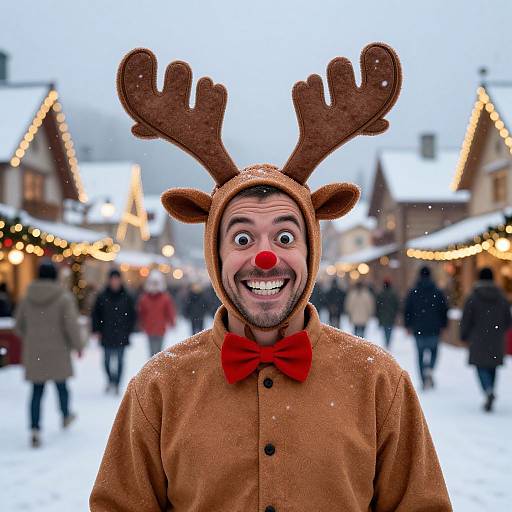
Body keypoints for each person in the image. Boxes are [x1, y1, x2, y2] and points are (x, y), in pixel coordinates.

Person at [90, 43, 451, 510]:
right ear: (215, 256)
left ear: (312, 250)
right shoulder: (158, 388)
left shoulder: (380, 383)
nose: (265, 259)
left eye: (284, 237)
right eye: (242, 239)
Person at [15, 261, 83, 448]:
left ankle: (35, 429)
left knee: (37, 391)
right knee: (62, 386)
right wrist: (78, 345)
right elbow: (71, 326)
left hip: (35, 352)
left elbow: (18, 325)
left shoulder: (27, 298)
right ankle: (65, 415)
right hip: (57, 351)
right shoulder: (63, 298)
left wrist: (32, 338)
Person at [460, 267, 511, 412]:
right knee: (492, 367)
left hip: (478, 339)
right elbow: (508, 320)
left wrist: (464, 335)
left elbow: (466, 319)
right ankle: (490, 390)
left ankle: (487, 390)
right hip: (496, 339)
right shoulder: (501, 297)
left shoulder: (473, 297)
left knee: (480, 367)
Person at [91, 269, 136, 395]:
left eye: (117, 279)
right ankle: (110, 380)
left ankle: (117, 383)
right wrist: (96, 330)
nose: (115, 282)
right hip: (106, 333)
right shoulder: (102, 296)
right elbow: (96, 314)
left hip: (121, 333)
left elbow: (132, 315)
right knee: (106, 361)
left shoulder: (127, 296)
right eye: (112, 279)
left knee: (120, 361)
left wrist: (129, 329)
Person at [404, 266, 448, 390]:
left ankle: (423, 378)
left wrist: (408, 325)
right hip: (434, 328)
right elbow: (444, 309)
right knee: (434, 351)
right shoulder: (437, 292)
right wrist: (444, 325)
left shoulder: (413, 292)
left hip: (419, 328)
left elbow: (408, 310)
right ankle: (430, 368)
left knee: (420, 354)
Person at [137, 270, 177, 357]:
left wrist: (172, 322)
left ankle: (157, 368)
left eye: (156, 283)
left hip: (160, 328)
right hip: (149, 328)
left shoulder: (165, 298)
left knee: (159, 352)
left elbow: (169, 311)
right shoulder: (144, 298)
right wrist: (141, 324)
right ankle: (152, 368)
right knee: (151, 352)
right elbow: (141, 313)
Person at [376, 278, 400, 349]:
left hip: (383, 315)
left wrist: (378, 314)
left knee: (385, 329)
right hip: (391, 315)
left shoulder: (381, 294)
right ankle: (388, 343)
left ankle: (387, 342)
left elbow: (378, 306)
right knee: (389, 330)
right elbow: (397, 305)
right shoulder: (393, 294)